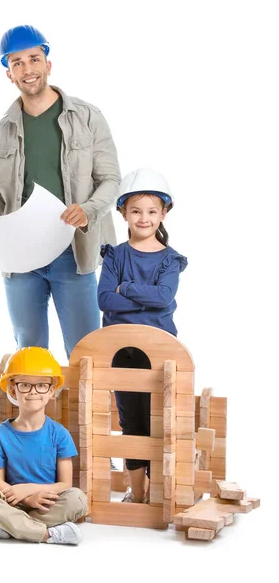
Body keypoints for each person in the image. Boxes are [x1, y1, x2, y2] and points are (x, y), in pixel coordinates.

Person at [0, 25, 121, 359]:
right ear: (8, 73)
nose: (27, 69)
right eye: (17, 63)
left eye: (34, 59)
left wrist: (87, 209)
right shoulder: (5, 128)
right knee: (29, 356)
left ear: (48, 64)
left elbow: (110, 179)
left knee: (86, 354)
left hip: (73, 252)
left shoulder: (87, 117)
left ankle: (89, 413)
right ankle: (36, 415)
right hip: (19, 256)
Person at [97, 168, 188, 503]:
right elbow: (105, 299)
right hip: (121, 350)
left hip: (161, 349)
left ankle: (157, 492)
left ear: (163, 213)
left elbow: (164, 297)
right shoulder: (115, 256)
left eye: (152, 211)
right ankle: (138, 494)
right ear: (123, 213)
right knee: (130, 419)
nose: (144, 218)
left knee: (158, 419)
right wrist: (142, 297)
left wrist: (127, 288)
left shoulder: (170, 259)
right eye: (136, 211)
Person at [0, 346, 88, 545]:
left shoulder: (59, 434)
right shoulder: (0, 434)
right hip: (10, 502)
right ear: (13, 389)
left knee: (78, 499)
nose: (33, 392)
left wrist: (30, 491)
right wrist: (24, 498)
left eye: (41, 385)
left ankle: (6, 528)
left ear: (51, 390)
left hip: (46, 504)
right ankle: (45, 534)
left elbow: (65, 484)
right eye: (25, 385)